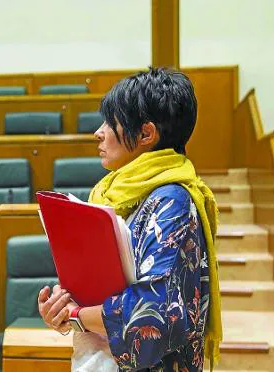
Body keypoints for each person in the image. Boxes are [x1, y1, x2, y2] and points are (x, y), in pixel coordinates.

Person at [38, 67, 222, 371]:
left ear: (146, 134)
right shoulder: (114, 195)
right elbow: (99, 288)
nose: (98, 132)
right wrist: (61, 306)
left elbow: (154, 316)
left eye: (111, 123)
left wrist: (76, 315)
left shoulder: (171, 201)